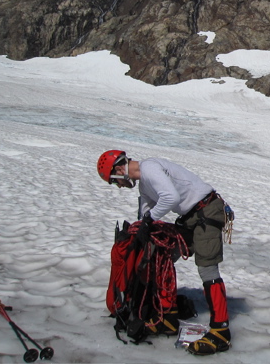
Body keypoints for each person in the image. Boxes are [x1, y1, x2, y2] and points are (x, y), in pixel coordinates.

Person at [97, 149, 231, 355]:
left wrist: (149, 220)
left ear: (118, 170)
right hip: (192, 216)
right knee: (162, 254)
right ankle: (167, 316)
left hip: (207, 211)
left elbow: (170, 197)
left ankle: (221, 332)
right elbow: (145, 211)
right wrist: (142, 226)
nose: (118, 186)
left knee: (208, 269)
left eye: (113, 181)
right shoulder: (145, 184)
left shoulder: (149, 168)